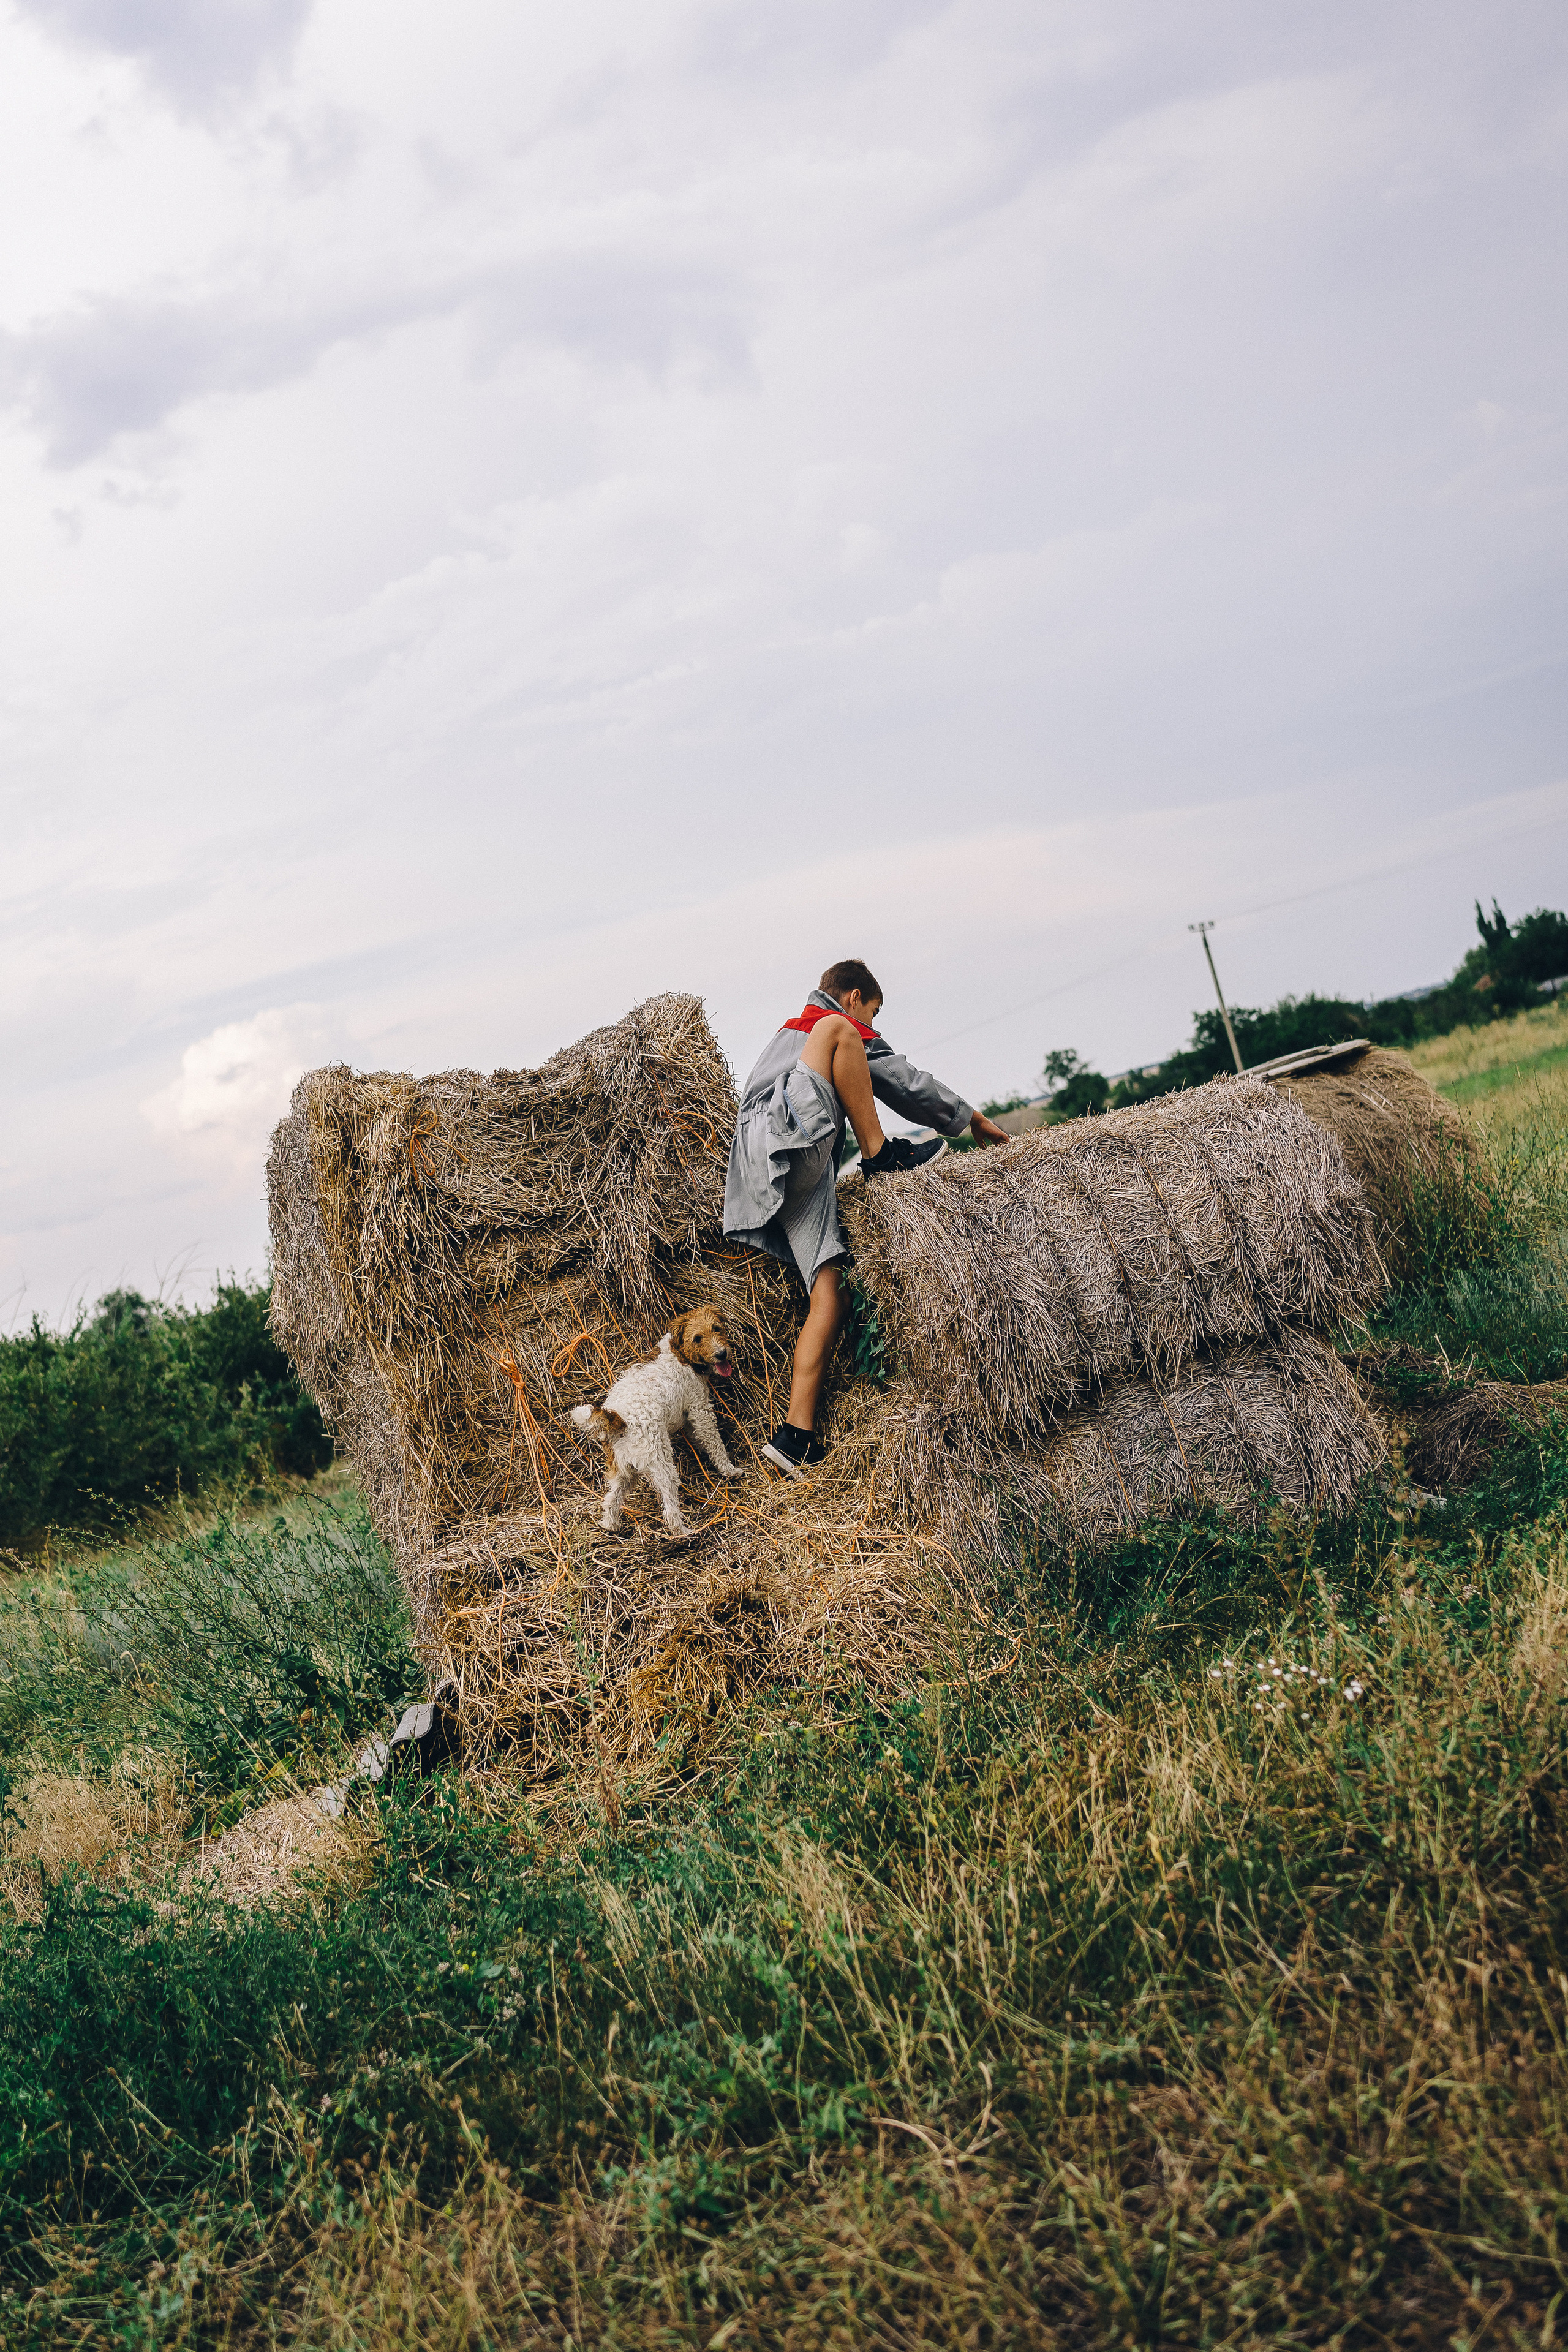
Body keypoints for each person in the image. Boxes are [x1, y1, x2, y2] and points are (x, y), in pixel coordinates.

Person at [723, 957, 1011, 1478]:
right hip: (778, 1140)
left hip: (792, 1173)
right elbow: (901, 1078)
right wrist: (971, 1119)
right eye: (873, 1013)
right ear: (853, 997)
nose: (873, 1029)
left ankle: (795, 1437)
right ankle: (879, 1157)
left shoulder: (798, 1042)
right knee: (840, 1036)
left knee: (828, 1290)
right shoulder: (825, 1023)